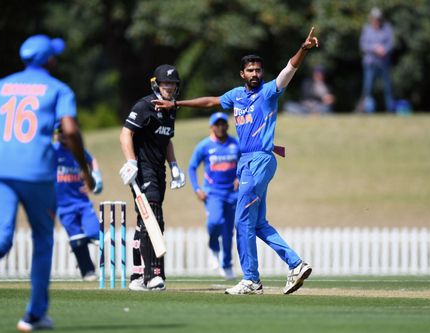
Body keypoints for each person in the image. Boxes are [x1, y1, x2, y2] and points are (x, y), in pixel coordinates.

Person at [153, 27, 319, 295]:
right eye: (250, 70)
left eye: (258, 70)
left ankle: (251, 279)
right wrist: (177, 105)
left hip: (259, 162)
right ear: (242, 74)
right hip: (248, 163)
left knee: (242, 221)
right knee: (257, 223)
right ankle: (295, 264)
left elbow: (289, 70)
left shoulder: (268, 93)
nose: (255, 74)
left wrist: (304, 49)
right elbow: (211, 101)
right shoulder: (236, 96)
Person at [0, 34, 94, 331]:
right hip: (36, 171)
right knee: (42, 239)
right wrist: (84, 169)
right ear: (50, 60)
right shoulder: (58, 89)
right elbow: (71, 132)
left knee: (1, 237)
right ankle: (34, 314)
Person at [119, 64, 186, 292]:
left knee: (145, 224)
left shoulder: (171, 109)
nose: (169, 87)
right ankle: (153, 275)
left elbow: (166, 139)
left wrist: (174, 165)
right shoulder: (145, 105)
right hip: (143, 169)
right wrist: (131, 161)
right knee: (153, 219)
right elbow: (126, 133)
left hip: (159, 170)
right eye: (165, 83)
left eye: (173, 84)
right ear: (157, 84)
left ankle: (137, 276)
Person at [188, 112, 240, 280]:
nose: (220, 127)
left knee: (228, 232)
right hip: (212, 193)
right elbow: (192, 167)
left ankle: (226, 264)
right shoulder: (204, 145)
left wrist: (240, 177)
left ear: (227, 125)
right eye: (216, 124)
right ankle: (213, 248)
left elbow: (245, 162)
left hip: (233, 194)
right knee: (215, 221)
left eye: (222, 124)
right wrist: (197, 189)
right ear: (211, 127)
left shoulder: (236, 144)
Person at [53, 125, 103, 281]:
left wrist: (96, 175)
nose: (62, 135)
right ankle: (87, 271)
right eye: (59, 132)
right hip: (62, 206)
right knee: (76, 239)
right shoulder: (52, 150)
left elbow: (92, 160)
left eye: (65, 132)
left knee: (96, 234)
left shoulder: (77, 149)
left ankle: (79, 245)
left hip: (82, 202)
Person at [359, 7, 394, 113]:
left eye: (378, 19)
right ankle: (368, 110)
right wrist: (374, 48)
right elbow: (363, 45)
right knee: (368, 88)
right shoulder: (367, 29)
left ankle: (390, 110)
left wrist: (384, 50)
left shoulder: (387, 28)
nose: (376, 21)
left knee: (388, 87)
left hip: (383, 62)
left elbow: (391, 44)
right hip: (370, 63)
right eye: (374, 18)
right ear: (371, 19)